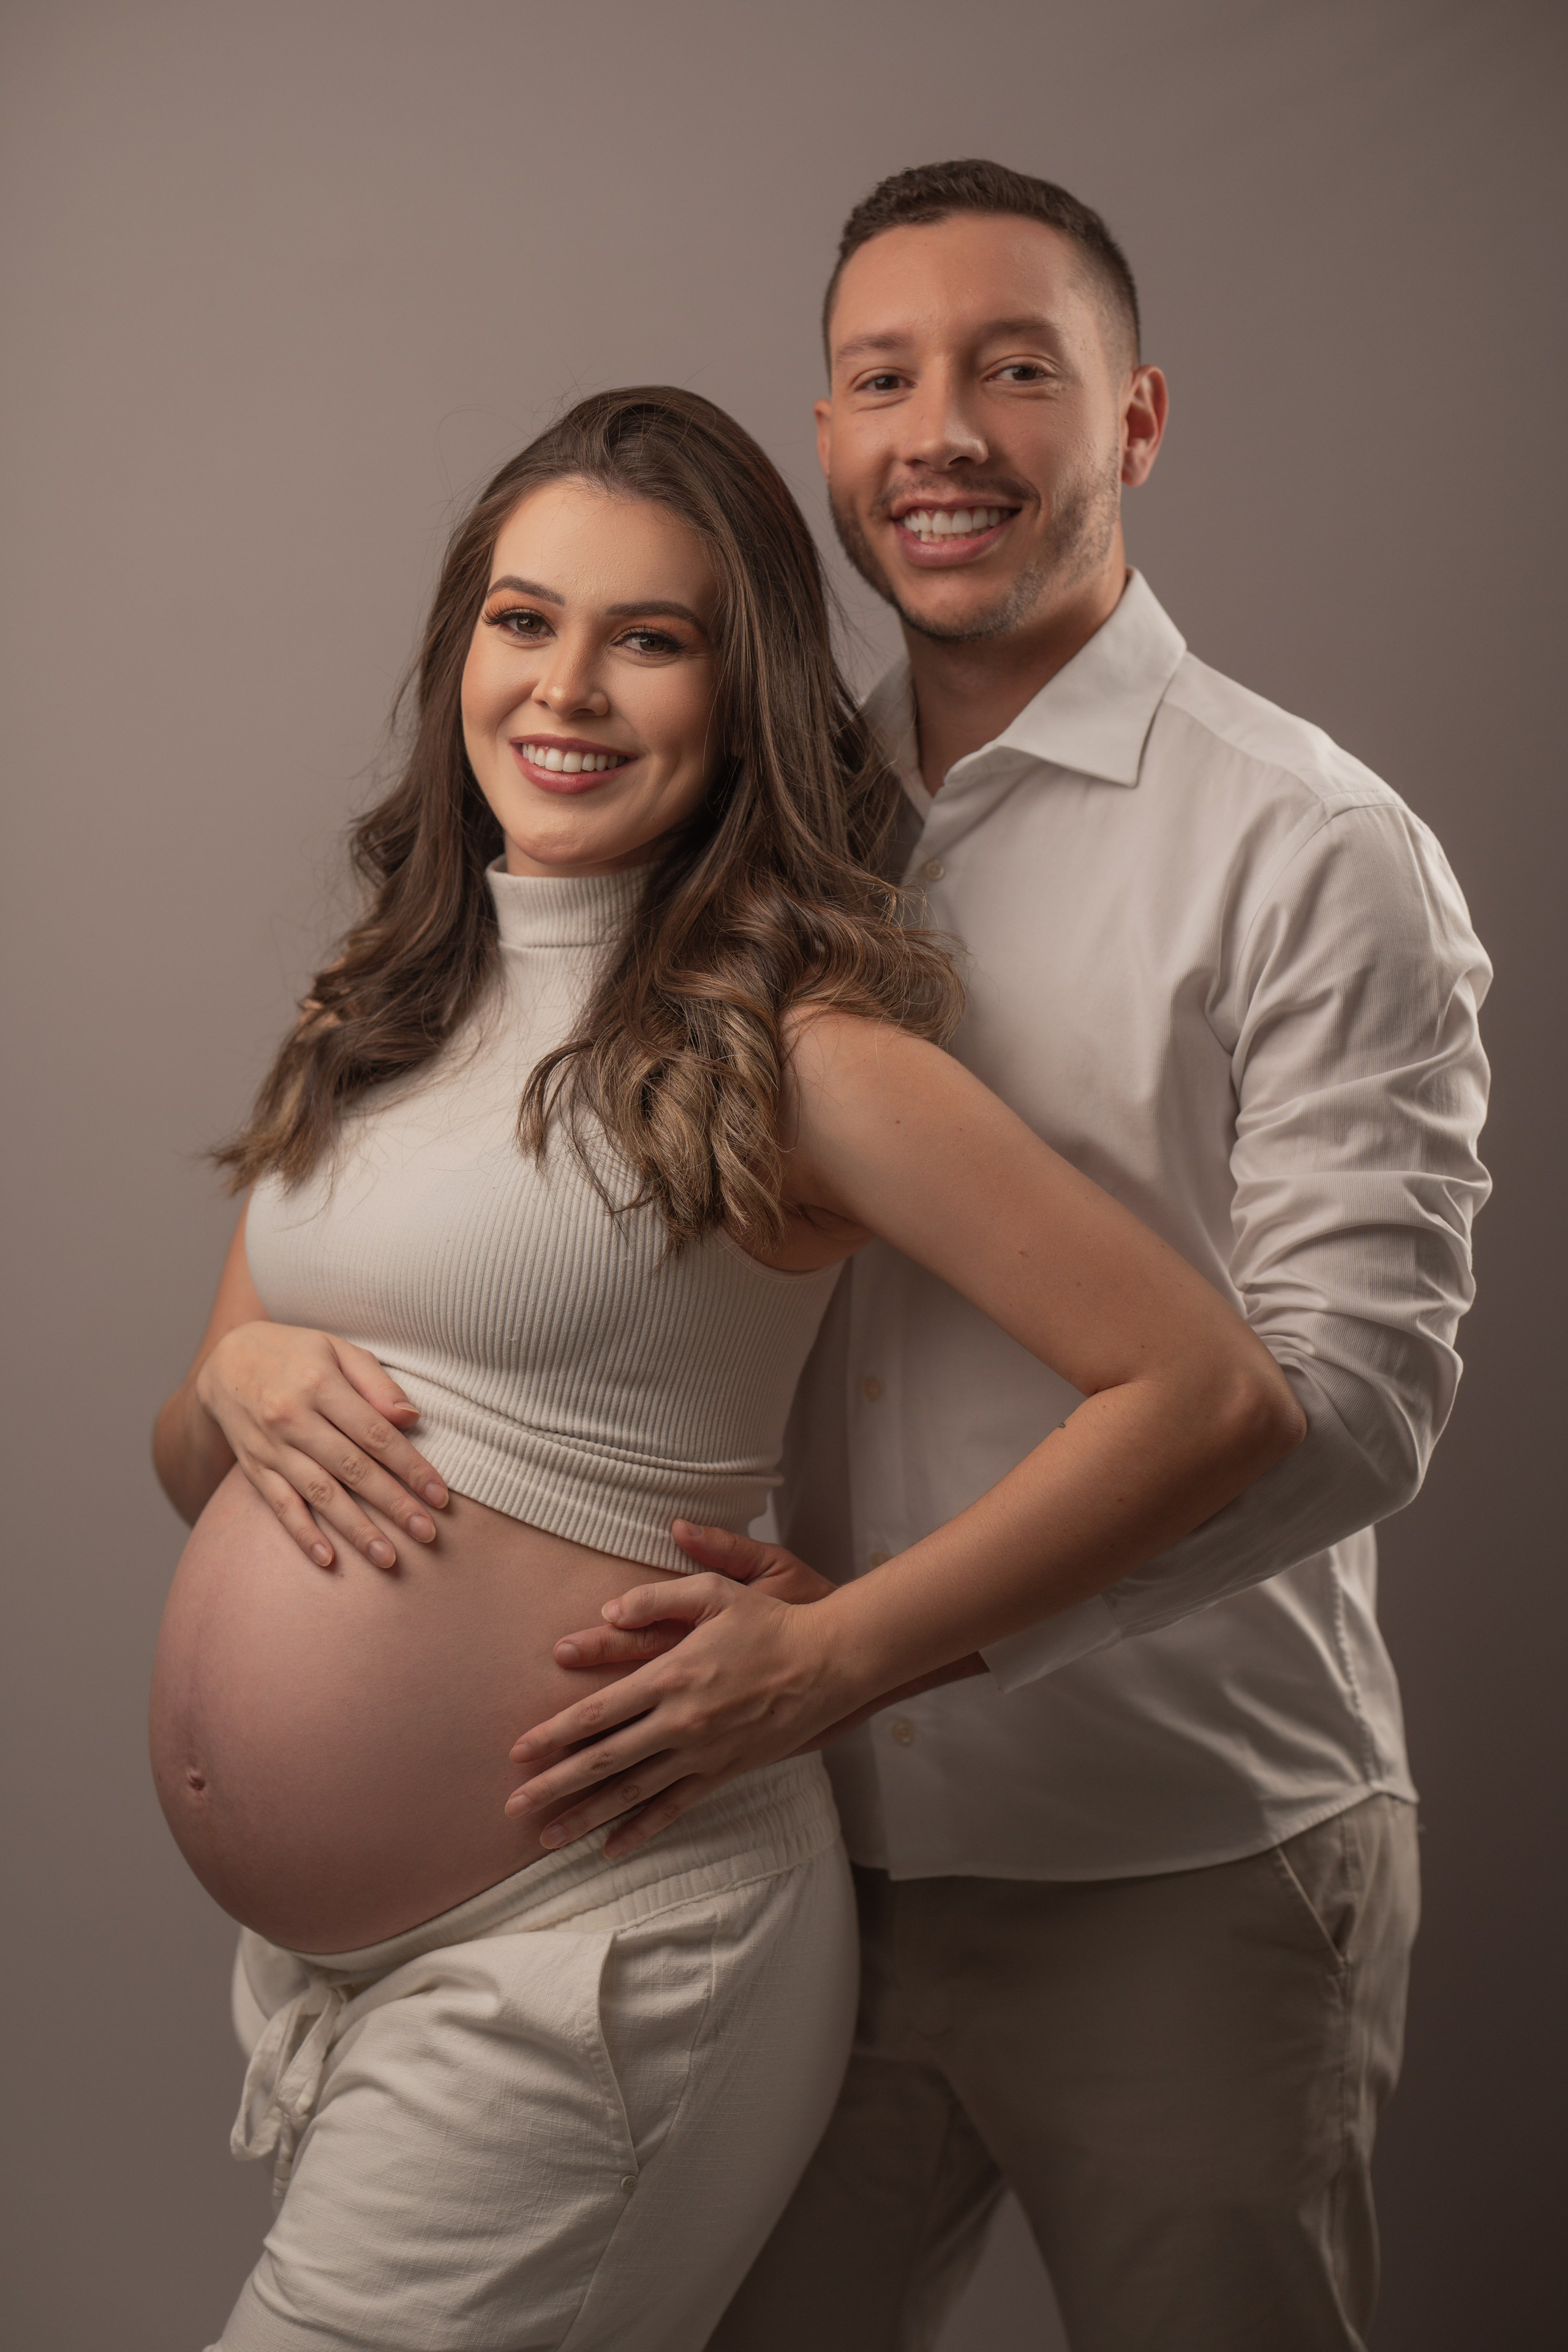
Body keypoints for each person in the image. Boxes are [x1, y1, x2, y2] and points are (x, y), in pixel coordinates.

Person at [149, 383, 1303, 2352]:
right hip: (353, 1972)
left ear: (739, 687)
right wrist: (238, 1398)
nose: (568, 688)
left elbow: (1209, 1398)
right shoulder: (382, 1001)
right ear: (461, 656)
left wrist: (836, 1655)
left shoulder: (804, 1052)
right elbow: (216, 1448)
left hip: (597, 1946)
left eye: (649, 637)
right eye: (524, 621)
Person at [523, 167, 1493, 2352]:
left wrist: (879, 1646)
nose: (939, 430)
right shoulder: (759, 828)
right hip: (790, 1859)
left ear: (1136, 422)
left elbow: (1354, 1407)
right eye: (885, 379)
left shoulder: (1307, 845)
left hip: (1187, 1856)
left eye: (1012, 369)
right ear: (830, 437)